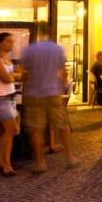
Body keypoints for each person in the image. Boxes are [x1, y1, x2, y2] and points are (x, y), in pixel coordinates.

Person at [22, 39, 75, 173]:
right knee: (63, 126)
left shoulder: (29, 50)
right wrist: (61, 87)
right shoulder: (57, 49)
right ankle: (70, 157)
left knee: (36, 129)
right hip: (53, 92)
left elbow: (23, 73)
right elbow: (63, 72)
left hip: (34, 94)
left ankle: (40, 163)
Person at [0, 33, 20, 177]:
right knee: (12, 129)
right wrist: (16, 76)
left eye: (12, 42)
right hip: (0, 98)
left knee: (2, 131)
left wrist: (15, 76)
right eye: (8, 41)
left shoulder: (6, 59)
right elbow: (6, 79)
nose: (11, 44)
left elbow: (15, 76)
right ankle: (7, 165)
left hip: (10, 96)